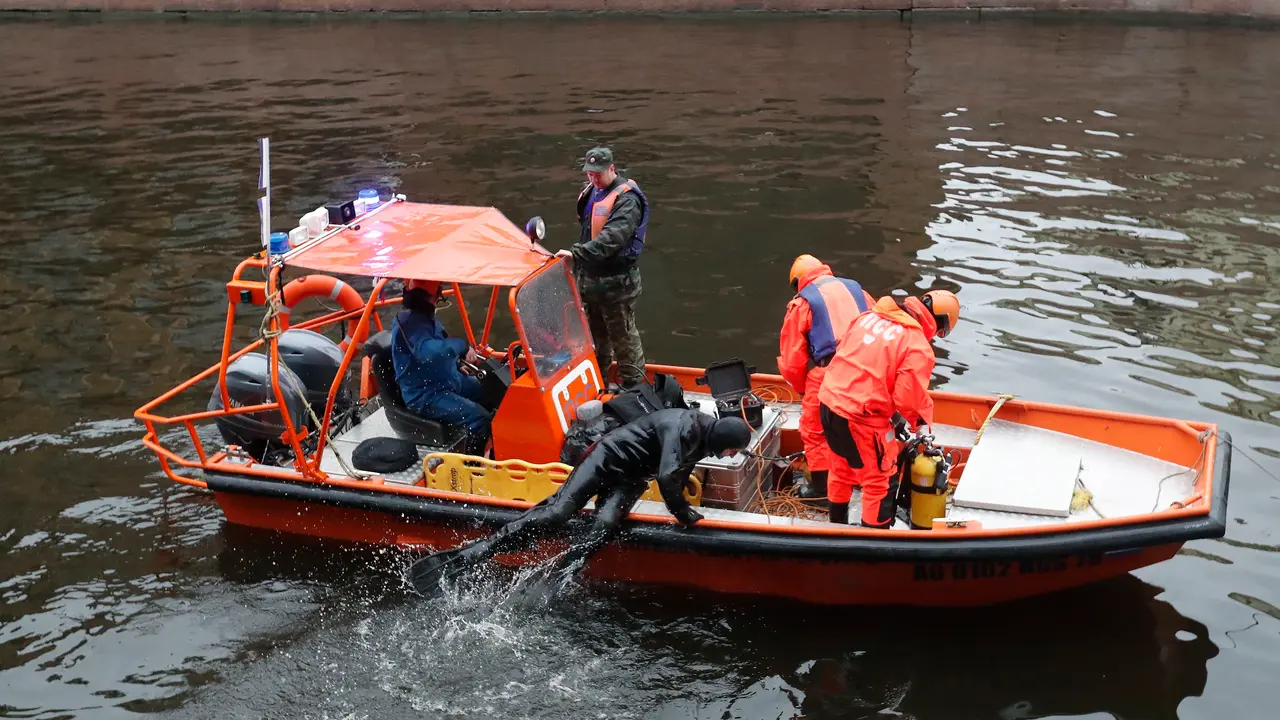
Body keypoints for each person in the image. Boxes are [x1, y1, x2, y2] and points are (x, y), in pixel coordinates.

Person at [409, 409, 752, 588]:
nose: (728, 456)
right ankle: (476, 553)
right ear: (721, 438)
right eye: (731, 450)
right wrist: (684, 515)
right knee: (559, 513)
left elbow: (671, 473)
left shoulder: (701, 438)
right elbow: (666, 476)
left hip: (630, 479)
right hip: (606, 459)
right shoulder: (683, 427)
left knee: (603, 528)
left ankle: (556, 572)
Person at [815, 290, 961, 528]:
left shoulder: (867, 318)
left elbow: (856, 362)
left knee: (840, 469)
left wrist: (893, 415)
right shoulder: (916, 344)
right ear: (940, 323)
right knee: (879, 482)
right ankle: (873, 543)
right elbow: (908, 398)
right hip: (861, 419)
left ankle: (835, 527)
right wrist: (920, 425)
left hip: (828, 404)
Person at [775, 254, 875, 502]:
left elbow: (792, 360)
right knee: (863, 425)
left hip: (832, 372)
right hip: (869, 370)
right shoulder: (857, 290)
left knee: (815, 429)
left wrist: (801, 388)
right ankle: (866, 480)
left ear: (798, 281)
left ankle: (821, 490)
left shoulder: (803, 303)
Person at [558, 146, 650, 388]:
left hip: (617, 283)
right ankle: (596, 381)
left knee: (624, 339)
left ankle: (635, 388)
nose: (593, 178)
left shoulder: (627, 200)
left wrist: (576, 255)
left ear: (611, 168)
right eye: (589, 174)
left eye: (598, 174)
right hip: (589, 282)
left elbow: (611, 239)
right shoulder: (590, 193)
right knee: (594, 338)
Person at [390, 279, 491, 453]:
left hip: (446, 380)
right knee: (479, 418)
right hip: (426, 394)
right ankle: (472, 469)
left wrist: (457, 363)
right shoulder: (411, 324)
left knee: (490, 390)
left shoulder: (425, 320)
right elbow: (429, 353)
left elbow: (440, 352)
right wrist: (462, 346)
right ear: (433, 297)